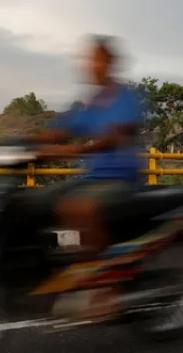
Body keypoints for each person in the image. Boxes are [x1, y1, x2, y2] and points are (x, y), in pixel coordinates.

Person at [30, 34, 144, 322]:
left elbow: (117, 134)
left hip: (120, 179)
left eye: (96, 59)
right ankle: (44, 272)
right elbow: (60, 130)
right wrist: (25, 143)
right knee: (31, 201)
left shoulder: (125, 98)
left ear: (110, 63)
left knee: (80, 207)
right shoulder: (90, 103)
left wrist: (79, 148)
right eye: (88, 59)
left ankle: (107, 287)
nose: (90, 65)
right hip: (90, 178)